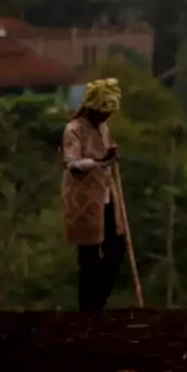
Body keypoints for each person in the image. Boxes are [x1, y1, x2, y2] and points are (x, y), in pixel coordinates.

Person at [60, 77, 126, 312]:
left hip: (107, 197)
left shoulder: (103, 127)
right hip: (83, 201)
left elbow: (106, 152)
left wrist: (111, 153)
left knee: (116, 252)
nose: (106, 117)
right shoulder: (74, 129)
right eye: (103, 112)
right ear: (93, 108)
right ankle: (87, 309)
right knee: (88, 258)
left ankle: (97, 302)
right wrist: (99, 162)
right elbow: (72, 164)